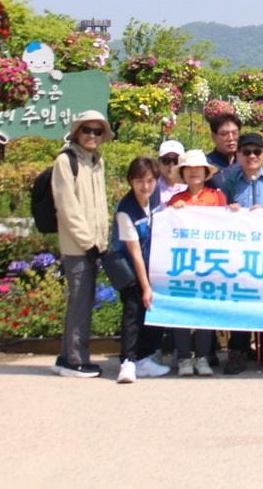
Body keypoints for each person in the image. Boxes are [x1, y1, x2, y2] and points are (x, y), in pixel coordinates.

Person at [220, 132, 263, 375]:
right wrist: (230, 209)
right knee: (241, 297)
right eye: (246, 151)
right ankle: (238, 350)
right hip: (239, 252)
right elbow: (220, 206)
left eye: (256, 152)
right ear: (238, 154)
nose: (252, 156)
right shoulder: (230, 179)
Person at [51, 110, 112, 378]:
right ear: (77, 132)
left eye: (97, 131)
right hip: (78, 245)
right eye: (87, 130)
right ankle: (74, 359)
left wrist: (101, 241)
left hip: (93, 244)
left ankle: (68, 356)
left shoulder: (96, 162)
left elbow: (100, 206)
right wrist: (88, 242)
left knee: (84, 301)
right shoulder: (66, 161)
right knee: (79, 302)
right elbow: (67, 207)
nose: (92, 135)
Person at [166, 149, 228, 376]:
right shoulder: (175, 200)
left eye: (198, 168)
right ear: (183, 173)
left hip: (209, 262)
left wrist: (233, 212)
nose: (194, 172)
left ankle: (202, 357)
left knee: (204, 309)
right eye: (189, 169)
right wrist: (172, 212)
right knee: (181, 310)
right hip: (183, 263)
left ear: (205, 171)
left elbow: (226, 225)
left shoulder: (217, 197)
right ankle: (183, 357)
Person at [112, 157, 170, 383]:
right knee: (133, 311)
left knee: (153, 312)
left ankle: (144, 358)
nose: (145, 186)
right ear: (130, 181)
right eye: (139, 181)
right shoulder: (126, 210)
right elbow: (134, 253)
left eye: (150, 181)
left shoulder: (154, 199)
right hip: (130, 268)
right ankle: (127, 361)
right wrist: (145, 286)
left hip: (153, 265)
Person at [155, 139, 187, 206]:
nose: (171, 165)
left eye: (176, 160)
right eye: (166, 160)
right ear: (159, 162)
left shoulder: (190, 186)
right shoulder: (151, 188)